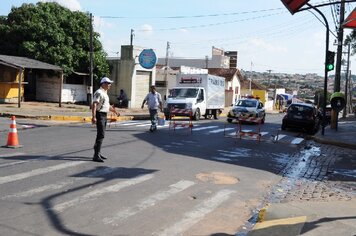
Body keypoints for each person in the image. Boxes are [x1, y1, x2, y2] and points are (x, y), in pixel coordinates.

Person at [92, 77, 119, 162]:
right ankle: (96, 155)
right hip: (100, 114)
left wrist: (115, 111)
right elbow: (94, 104)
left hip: (104, 115)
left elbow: (107, 106)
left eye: (110, 83)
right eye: (108, 83)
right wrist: (94, 117)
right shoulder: (99, 92)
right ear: (103, 84)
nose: (109, 85)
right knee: (101, 134)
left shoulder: (105, 93)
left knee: (101, 135)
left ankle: (98, 153)